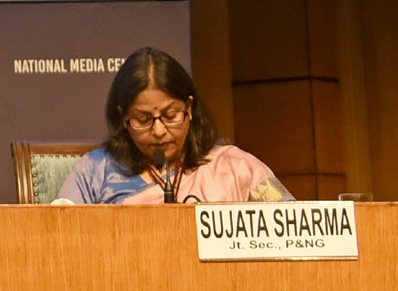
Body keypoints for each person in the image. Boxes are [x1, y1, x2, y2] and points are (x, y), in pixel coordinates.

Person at [52, 47, 289, 205]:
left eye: (171, 115)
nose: (159, 131)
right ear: (123, 117)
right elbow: (59, 240)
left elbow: (294, 230)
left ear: (189, 108)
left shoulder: (237, 168)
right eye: (143, 119)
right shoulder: (95, 172)